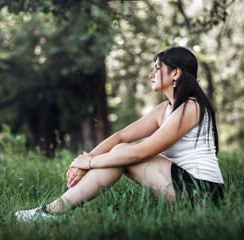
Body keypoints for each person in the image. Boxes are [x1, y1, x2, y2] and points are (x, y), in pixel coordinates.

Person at [15, 47, 224, 221]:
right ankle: (51, 211)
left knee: (124, 153)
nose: (151, 74)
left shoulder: (192, 107)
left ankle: (50, 212)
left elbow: (141, 152)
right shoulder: (165, 109)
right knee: (120, 148)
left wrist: (89, 163)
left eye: (157, 68)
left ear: (175, 73)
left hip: (203, 193)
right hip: (182, 186)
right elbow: (120, 136)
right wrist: (85, 159)